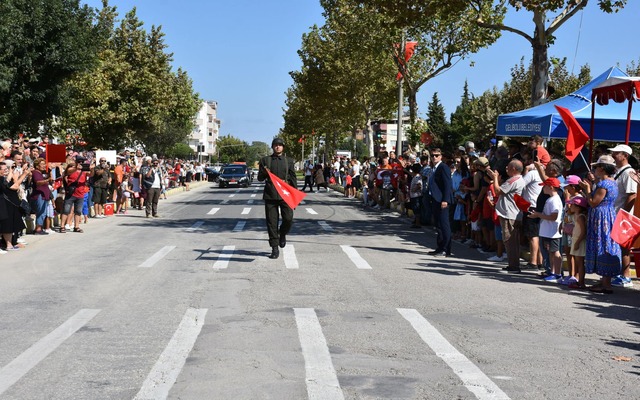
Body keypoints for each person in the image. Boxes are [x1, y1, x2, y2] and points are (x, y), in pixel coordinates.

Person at [579, 155, 621, 294]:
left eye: (596, 167)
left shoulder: (604, 185)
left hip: (601, 217)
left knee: (603, 244)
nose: (594, 169)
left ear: (602, 169)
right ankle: (604, 280)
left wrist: (587, 190)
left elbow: (593, 202)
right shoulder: (612, 182)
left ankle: (606, 284)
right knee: (605, 243)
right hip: (608, 215)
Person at [258, 137, 297, 259]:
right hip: (270, 195)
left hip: (285, 194)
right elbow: (260, 178)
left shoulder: (288, 161)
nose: (278, 147)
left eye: (280, 145)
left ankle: (283, 233)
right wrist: (264, 173)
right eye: (275, 145)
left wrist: (294, 197)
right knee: (271, 223)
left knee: (288, 218)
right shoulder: (265, 160)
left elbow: (293, 179)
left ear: (283, 147)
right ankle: (274, 248)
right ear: (272, 147)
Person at [488, 159, 525, 273]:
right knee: (511, 240)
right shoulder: (519, 179)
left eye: (508, 167)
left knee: (510, 240)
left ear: (514, 169)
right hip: (512, 213)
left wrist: (495, 178)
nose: (506, 169)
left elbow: (498, 191)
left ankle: (514, 266)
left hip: (510, 214)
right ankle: (512, 264)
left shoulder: (514, 180)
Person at [609, 144, 637, 288]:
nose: (613, 155)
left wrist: (623, 215)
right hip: (616, 213)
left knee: (624, 246)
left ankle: (626, 277)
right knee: (618, 245)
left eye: (616, 153)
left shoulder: (628, 172)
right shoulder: (618, 171)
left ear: (625, 155)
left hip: (622, 216)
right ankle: (620, 274)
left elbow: (632, 195)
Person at [529, 178, 563, 283]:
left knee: (555, 252)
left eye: (544, 186)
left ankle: (557, 274)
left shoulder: (554, 200)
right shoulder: (551, 199)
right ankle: (552, 272)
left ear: (551, 187)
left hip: (552, 232)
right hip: (548, 231)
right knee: (551, 253)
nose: (543, 188)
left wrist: (538, 215)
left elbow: (554, 216)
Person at [427, 149, 454, 257]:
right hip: (435, 199)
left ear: (441, 156)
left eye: (436, 155)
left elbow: (447, 184)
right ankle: (440, 247)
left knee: (444, 225)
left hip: (442, 200)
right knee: (438, 225)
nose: (434, 157)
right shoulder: (434, 168)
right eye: (432, 155)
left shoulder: (443, 167)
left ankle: (446, 249)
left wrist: (445, 200)